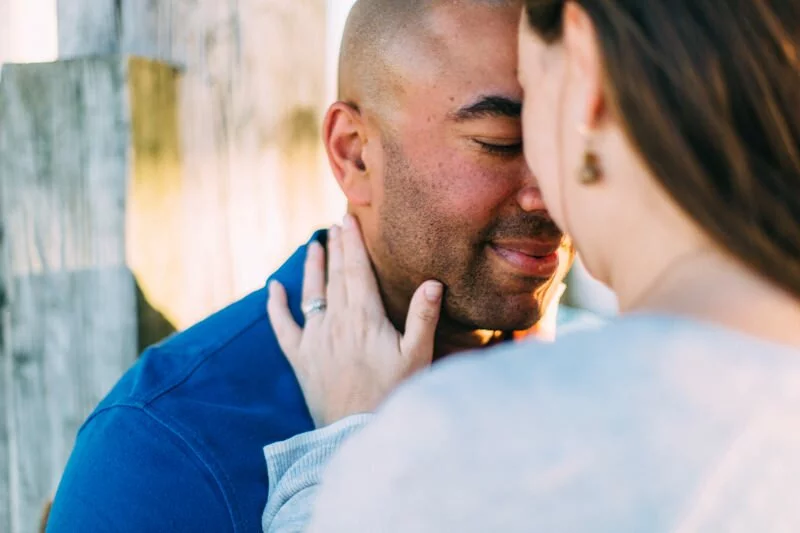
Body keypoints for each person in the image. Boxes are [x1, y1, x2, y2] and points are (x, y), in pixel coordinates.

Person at [45, 1, 594, 531]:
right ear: (354, 153)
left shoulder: (602, 382)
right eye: (500, 143)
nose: (551, 191)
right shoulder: (164, 448)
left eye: (572, 141)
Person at [262, 0, 800, 531]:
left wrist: (344, 456)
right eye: (500, 143)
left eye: (535, 108)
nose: (540, 188)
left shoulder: (439, 439)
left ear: (583, 72)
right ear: (355, 154)